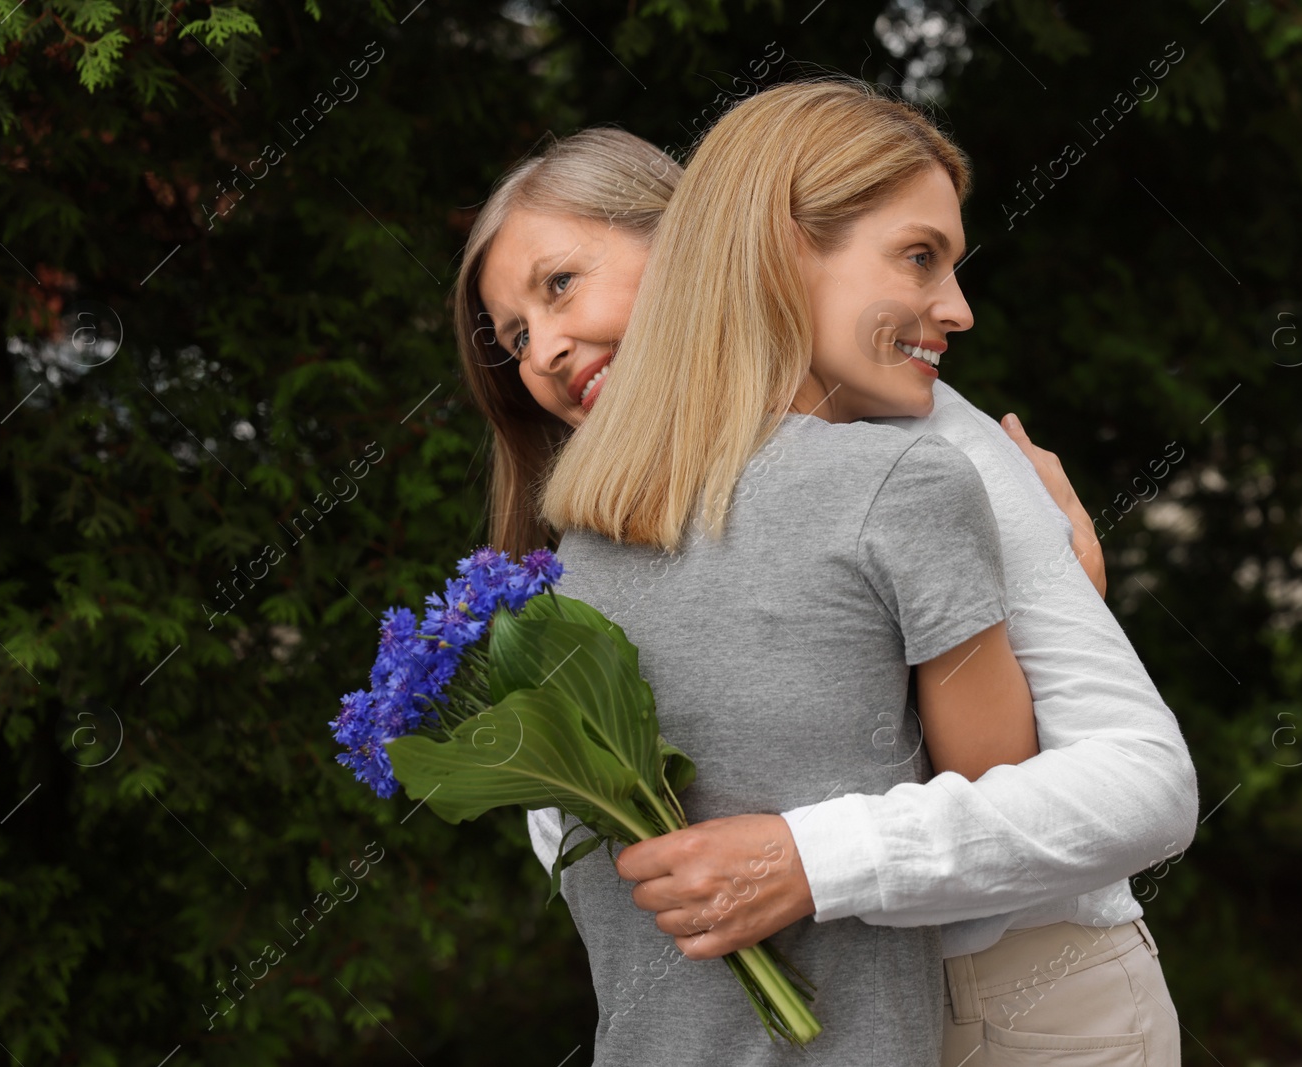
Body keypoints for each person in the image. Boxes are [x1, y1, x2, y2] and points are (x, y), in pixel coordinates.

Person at [455, 84, 1196, 1064]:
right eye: (510, 338)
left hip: (1024, 996)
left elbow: (1139, 785)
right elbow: (582, 842)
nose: (540, 349)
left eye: (558, 284)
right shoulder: (586, 552)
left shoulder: (925, 444)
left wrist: (809, 853)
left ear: (691, 241)